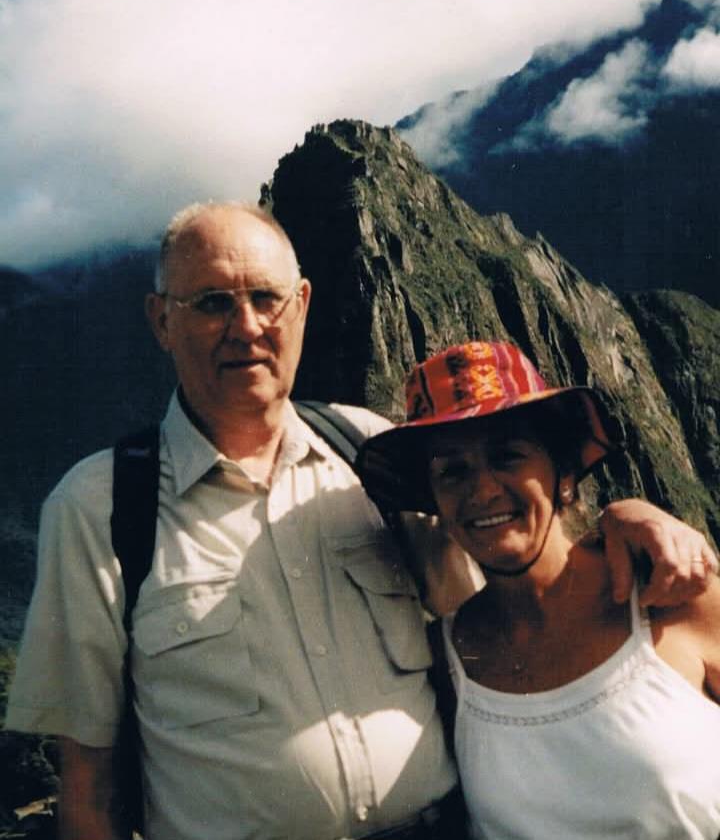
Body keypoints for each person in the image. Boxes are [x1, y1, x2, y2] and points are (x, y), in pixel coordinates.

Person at [4, 204, 716, 840]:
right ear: (162, 319)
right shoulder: (102, 507)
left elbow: (506, 566)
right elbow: (88, 785)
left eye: (265, 299)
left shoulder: (363, 454)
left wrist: (629, 516)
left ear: (302, 306)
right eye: (212, 302)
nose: (246, 326)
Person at [356, 340, 720, 839]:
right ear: (435, 500)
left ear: (563, 475)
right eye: (453, 471)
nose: (482, 491)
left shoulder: (674, 595)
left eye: (508, 456)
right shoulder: (447, 664)